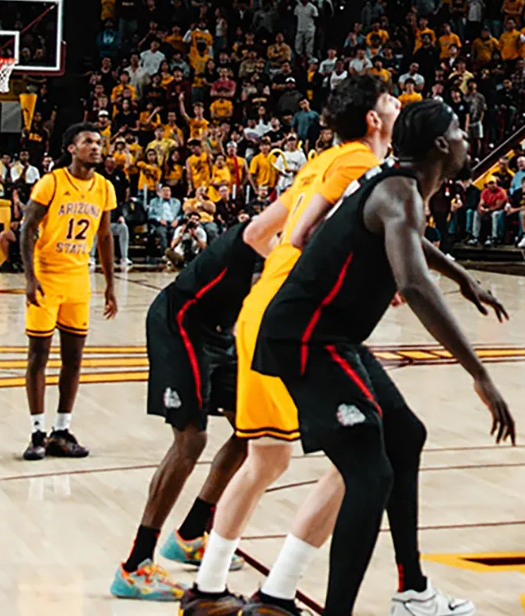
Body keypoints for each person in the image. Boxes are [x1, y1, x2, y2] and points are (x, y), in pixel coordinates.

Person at [185, 101, 515, 616]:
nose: (466, 139)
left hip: (328, 334)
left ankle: (412, 592)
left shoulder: (395, 184)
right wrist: (480, 374)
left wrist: (462, 276)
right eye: (458, 131)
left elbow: (396, 237)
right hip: (307, 337)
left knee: (405, 435)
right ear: (439, 145)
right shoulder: (397, 190)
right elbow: (413, 284)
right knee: (369, 474)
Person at [174, 73, 408, 612]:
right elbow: (307, 234)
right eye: (391, 99)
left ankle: (208, 590)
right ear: (373, 119)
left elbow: (257, 234)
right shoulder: (361, 162)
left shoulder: (317, 162)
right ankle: (278, 594)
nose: (400, 104)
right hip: (295, 319)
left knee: (267, 460)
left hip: (260, 309)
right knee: (361, 459)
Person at [110, 223, 267, 600]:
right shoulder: (275, 232)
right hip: (180, 322)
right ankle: (135, 566)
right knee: (191, 440)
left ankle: (191, 533)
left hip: (220, 330)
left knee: (255, 427)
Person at [19, 124, 120, 460]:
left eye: (99, 142)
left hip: (78, 279)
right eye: (88, 141)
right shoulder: (51, 182)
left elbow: (104, 236)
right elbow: (27, 227)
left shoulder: (104, 187)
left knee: (73, 359)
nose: (96, 147)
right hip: (47, 276)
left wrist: (110, 285)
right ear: (72, 148)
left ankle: (61, 430)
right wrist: (30, 277)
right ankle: (37, 433)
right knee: (39, 355)